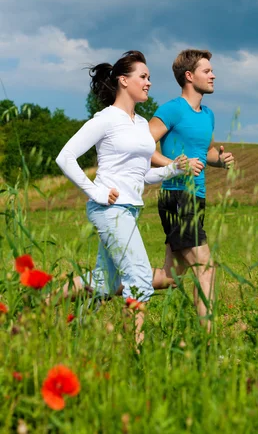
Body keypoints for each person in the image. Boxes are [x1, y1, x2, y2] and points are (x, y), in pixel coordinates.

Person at [55, 50, 187, 345]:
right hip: (109, 209)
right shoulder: (106, 119)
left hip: (130, 209)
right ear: (123, 81)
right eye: (143, 77)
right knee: (139, 278)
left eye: (150, 77)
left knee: (105, 282)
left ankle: (39, 307)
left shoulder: (141, 125)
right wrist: (96, 190)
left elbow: (142, 176)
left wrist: (174, 170)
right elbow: (65, 158)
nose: (149, 82)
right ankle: (134, 353)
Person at [149, 49, 234, 330]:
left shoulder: (207, 114)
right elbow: (143, 146)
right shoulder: (172, 109)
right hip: (176, 195)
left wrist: (219, 161)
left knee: (171, 276)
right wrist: (176, 165)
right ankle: (208, 342)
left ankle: (100, 284)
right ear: (189, 76)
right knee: (205, 267)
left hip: (197, 197)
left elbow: (203, 151)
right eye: (207, 71)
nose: (213, 75)